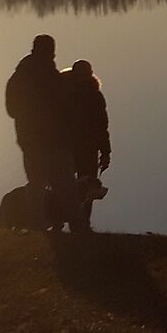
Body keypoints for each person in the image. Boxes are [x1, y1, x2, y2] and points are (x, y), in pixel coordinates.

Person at [3, 34, 66, 213]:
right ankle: (72, 225)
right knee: (60, 183)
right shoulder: (50, 76)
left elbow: (11, 110)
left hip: (30, 138)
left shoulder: (18, 76)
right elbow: (62, 108)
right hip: (48, 140)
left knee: (38, 183)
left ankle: (40, 223)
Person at [58, 59, 111, 231]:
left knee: (88, 190)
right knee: (60, 184)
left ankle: (82, 225)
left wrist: (105, 153)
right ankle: (56, 220)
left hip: (87, 150)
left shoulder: (95, 97)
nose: (83, 79)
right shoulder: (61, 93)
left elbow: (102, 126)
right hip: (65, 148)